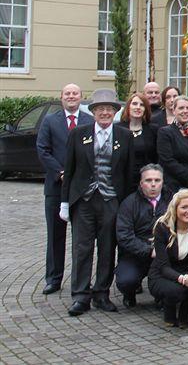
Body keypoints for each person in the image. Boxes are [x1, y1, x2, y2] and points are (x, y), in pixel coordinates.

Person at [60, 88, 132, 316]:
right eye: (100, 109)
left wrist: (126, 205)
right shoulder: (78, 134)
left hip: (111, 201)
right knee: (82, 248)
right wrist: (64, 202)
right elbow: (69, 171)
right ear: (93, 112)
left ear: (114, 112)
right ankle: (80, 296)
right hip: (84, 200)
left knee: (107, 249)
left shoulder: (125, 136)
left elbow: (129, 174)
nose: (104, 113)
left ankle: (101, 293)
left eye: (109, 109)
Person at [37, 83, 93, 295]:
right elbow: (43, 150)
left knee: (82, 237)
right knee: (55, 234)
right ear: (61, 97)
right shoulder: (50, 121)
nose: (71, 96)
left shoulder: (89, 120)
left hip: (82, 188)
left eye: (75, 93)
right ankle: (53, 278)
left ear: (81, 97)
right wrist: (60, 173)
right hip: (56, 186)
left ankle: (81, 281)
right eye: (67, 94)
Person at [148, 189, 188, 327]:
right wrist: (183, 279)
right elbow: (163, 266)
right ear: (175, 208)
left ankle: (185, 307)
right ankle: (169, 307)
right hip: (162, 273)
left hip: (187, 269)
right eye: (184, 207)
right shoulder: (162, 227)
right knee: (176, 290)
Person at [115, 164, 170, 308]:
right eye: (148, 180)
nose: (153, 185)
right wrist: (149, 250)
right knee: (126, 280)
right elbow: (124, 236)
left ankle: (162, 295)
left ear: (163, 182)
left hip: (164, 254)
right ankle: (129, 293)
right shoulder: (129, 203)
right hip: (135, 255)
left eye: (157, 180)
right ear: (141, 183)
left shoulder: (171, 201)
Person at [117, 92, 157, 185]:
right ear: (128, 107)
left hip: (147, 180)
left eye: (142, 105)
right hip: (123, 180)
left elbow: (156, 157)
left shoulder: (153, 130)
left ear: (145, 109)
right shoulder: (117, 129)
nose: (138, 107)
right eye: (134, 104)